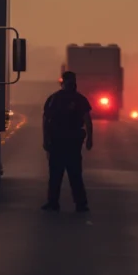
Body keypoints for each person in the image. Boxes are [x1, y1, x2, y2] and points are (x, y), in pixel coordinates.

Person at [42, 71, 92, 212]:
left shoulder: (76, 99)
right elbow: (46, 120)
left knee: (68, 174)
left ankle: (71, 203)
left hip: (68, 142)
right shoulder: (57, 99)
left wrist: (89, 138)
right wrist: (45, 138)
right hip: (61, 141)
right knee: (61, 174)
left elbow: (87, 120)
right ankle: (68, 203)